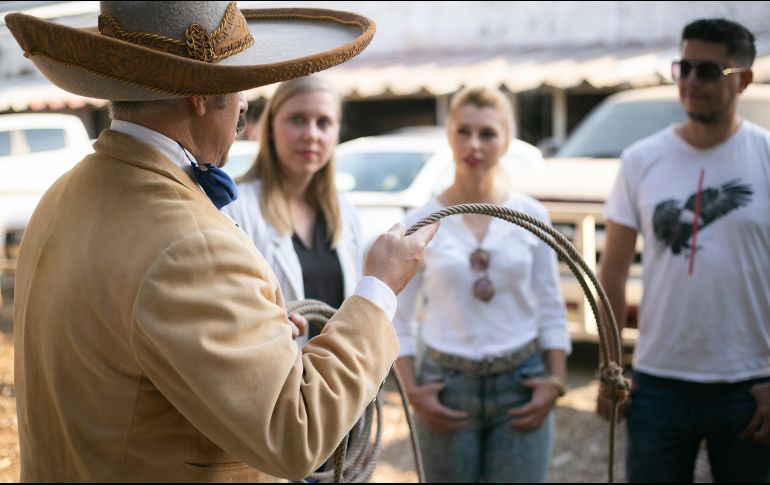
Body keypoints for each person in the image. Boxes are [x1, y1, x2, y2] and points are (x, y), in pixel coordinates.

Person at [6, 2, 439, 482]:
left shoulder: (63, 195)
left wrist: (258, 340)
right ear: (202, 96)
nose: (243, 110)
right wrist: (379, 290)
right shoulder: (190, 242)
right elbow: (296, 433)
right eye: (240, 90)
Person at [598, 18, 770, 482]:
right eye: (684, 67)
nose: (692, 81)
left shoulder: (766, 157)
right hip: (657, 383)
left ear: (745, 80)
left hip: (750, 384)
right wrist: (610, 367)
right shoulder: (640, 160)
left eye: (709, 70)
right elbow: (611, 271)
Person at [392, 85, 571, 483]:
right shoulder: (423, 220)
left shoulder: (530, 214)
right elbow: (399, 315)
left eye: (487, 133)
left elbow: (550, 304)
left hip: (521, 380)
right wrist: (413, 390)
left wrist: (555, 381)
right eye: (463, 131)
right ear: (449, 135)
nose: (474, 144)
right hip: (446, 384)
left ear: (506, 140)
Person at [223, 75, 362, 345]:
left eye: (323, 122)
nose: (311, 134)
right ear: (272, 127)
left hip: (335, 379)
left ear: (336, 132)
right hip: (276, 377)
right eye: (297, 120)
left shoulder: (345, 212)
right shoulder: (236, 208)